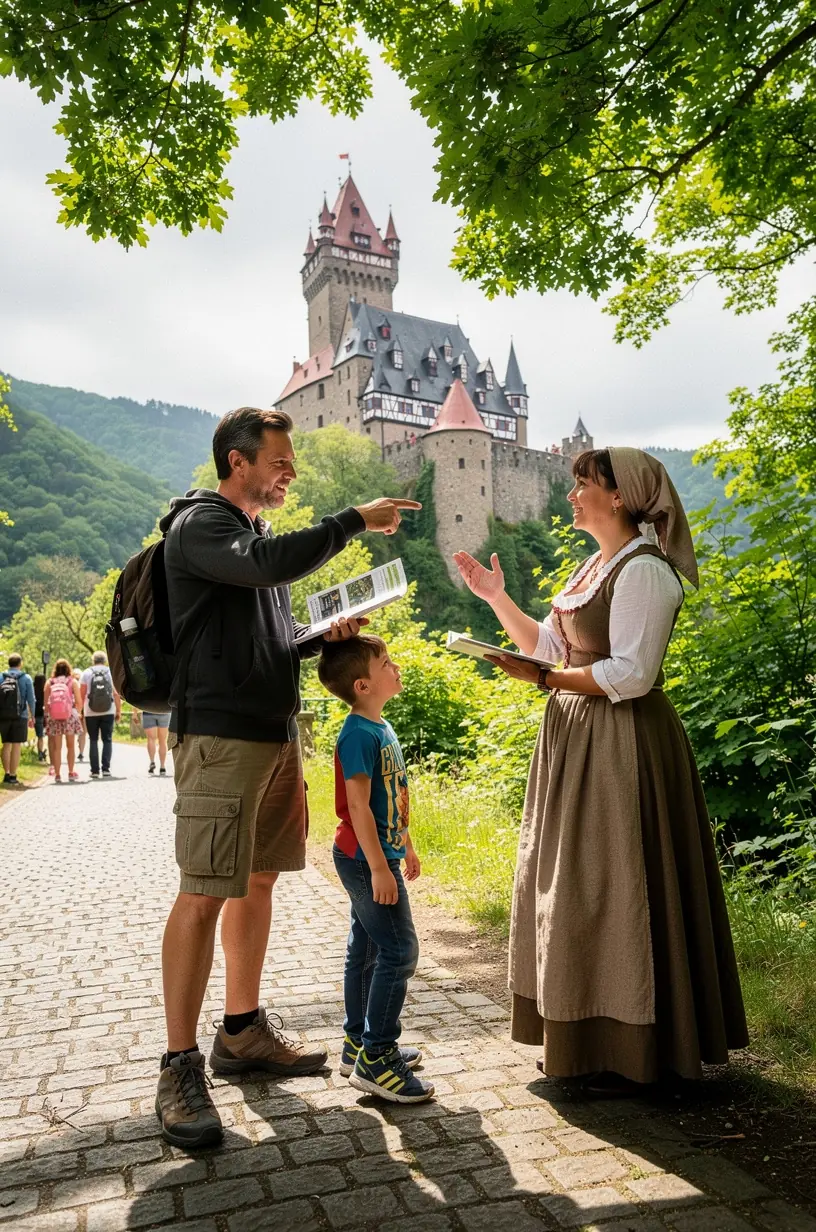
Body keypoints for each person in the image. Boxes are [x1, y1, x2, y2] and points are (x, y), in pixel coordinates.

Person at [154, 405, 420, 1148]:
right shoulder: (201, 526)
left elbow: (259, 632)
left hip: (274, 736)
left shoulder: (253, 539)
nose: (289, 473)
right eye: (279, 461)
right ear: (237, 461)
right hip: (219, 737)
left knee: (261, 879)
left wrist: (311, 640)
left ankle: (240, 1031)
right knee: (204, 893)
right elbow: (267, 569)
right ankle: (177, 1068)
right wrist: (352, 520)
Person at [454, 447, 748, 1094]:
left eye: (582, 484)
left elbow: (633, 674)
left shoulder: (645, 571)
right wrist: (499, 601)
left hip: (622, 746)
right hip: (578, 738)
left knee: (615, 886)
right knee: (574, 884)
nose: (571, 495)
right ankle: (583, 1039)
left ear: (618, 496)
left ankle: (632, 1046)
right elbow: (555, 647)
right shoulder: (599, 564)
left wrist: (546, 679)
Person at [318, 634, 433, 1104]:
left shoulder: (379, 725)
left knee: (366, 949)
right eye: (387, 662)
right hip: (364, 860)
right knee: (401, 950)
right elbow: (360, 808)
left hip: (379, 854)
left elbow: (392, 797)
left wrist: (404, 843)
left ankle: (358, 1044)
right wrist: (379, 867)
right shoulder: (357, 735)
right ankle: (377, 1058)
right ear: (364, 684)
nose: (396, 666)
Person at [80, 652, 122, 779]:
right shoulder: (110, 673)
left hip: (90, 712)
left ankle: (94, 771)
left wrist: (81, 711)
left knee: (93, 740)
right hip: (108, 710)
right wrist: (118, 711)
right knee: (107, 739)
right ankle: (106, 769)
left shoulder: (86, 673)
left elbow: (82, 694)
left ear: (93, 660)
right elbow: (116, 694)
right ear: (104, 660)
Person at [44, 659, 83, 784]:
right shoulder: (73, 682)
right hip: (69, 717)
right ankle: (71, 772)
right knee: (70, 746)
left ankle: (57, 774)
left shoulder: (49, 683)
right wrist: (77, 713)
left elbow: (46, 704)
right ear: (68, 669)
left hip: (54, 718)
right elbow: (79, 702)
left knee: (57, 747)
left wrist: (49, 716)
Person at [1, 654, 36, 786]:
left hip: (3, 716)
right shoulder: (26, 678)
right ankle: (13, 775)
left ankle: (6, 773)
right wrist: (32, 715)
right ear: (20, 663)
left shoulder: (1, 677)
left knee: (6, 744)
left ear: (9, 663)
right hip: (20, 716)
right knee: (16, 745)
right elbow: (31, 699)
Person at [140, 710, 171, 775]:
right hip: (164, 711)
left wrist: (134, 713)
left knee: (151, 739)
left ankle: (152, 761)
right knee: (162, 741)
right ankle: (162, 767)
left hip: (148, 711)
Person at [72, 668, 88, 762]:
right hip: (83, 711)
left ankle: (76, 751)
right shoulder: (82, 684)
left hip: (73, 711)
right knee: (83, 733)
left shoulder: (71, 683)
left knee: (72, 734)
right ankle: (81, 752)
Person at [32, 672, 47, 763]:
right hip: (41, 715)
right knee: (40, 736)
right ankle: (40, 753)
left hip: (33, 715)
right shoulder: (45, 690)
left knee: (36, 735)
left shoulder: (33, 689)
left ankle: (37, 752)